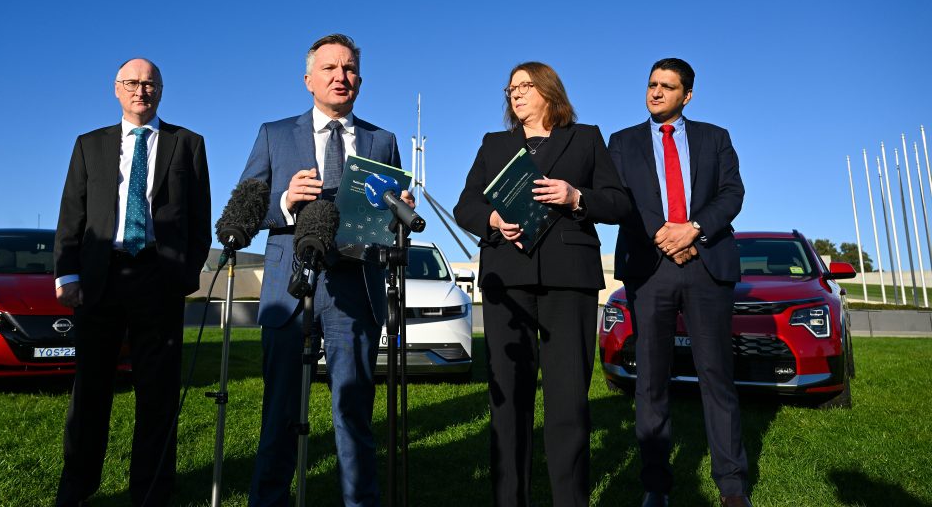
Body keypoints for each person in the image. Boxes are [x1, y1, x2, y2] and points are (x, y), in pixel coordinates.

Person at [240, 33, 413, 507]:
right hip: (290, 288)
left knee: (353, 412)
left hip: (355, 289)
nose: (342, 77)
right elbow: (248, 209)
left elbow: (388, 217)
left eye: (351, 69)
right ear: (308, 80)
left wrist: (398, 211)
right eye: (332, 69)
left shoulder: (384, 141)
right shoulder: (274, 135)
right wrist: (285, 202)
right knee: (279, 412)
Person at [453, 62, 630, 507]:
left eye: (525, 86)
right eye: (511, 88)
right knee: (508, 401)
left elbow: (619, 202)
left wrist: (577, 197)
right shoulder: (494, 144)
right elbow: (465, 206)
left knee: (568, 401)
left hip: (568, 281)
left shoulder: (585, 137)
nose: (515, 94)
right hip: (505, 281)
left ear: (549, 91)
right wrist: (492, 218)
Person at [53, 58, 212, 506]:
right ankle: (77, 488)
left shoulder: (188, 144)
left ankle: (152, 491)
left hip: (158, 280)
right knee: (90, 392)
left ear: (160, 90)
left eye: (149, 83)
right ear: (116, 89)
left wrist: (184, 271)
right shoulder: (89, 145)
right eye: (132, 83)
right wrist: (67, 273)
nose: (141, 90)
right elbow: (72, 214)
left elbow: (200, 220)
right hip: (101, 279)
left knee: (158, 394)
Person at [607, 58, 751, 507]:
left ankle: (732, 486)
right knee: (650, 381)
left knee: (717, 377)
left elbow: (732, 194)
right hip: (650, 268)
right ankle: (656, 485)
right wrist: (664, 236)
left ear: (686, 95)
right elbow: (621, 199)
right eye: (651, 84)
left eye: (667, 87)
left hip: (707, 263)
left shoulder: (715, 138)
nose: (656, 92)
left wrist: (693, 229)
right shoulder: (622, 142)